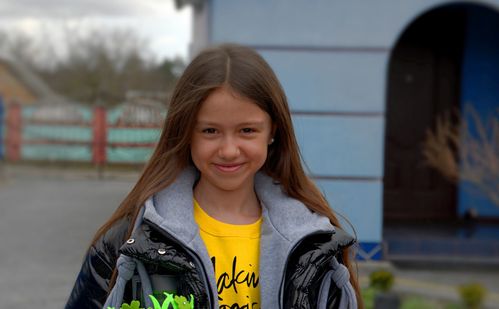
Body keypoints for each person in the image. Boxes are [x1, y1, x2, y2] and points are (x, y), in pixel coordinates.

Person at [65, 44, 361, 309]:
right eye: (210, 131)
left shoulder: (316, 244)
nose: (229, 150)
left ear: (273, 131)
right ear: (185, 133)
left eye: (247, 130)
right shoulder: (128, 242)